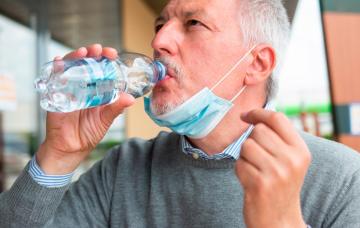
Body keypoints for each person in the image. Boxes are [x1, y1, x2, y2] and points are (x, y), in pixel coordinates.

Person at [1, 0, 360, 227]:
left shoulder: (343, 179)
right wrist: (58, 155)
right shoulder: (124, 169)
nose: (159, 42)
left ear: (257, 63)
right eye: (161, 25)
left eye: (193, 24)